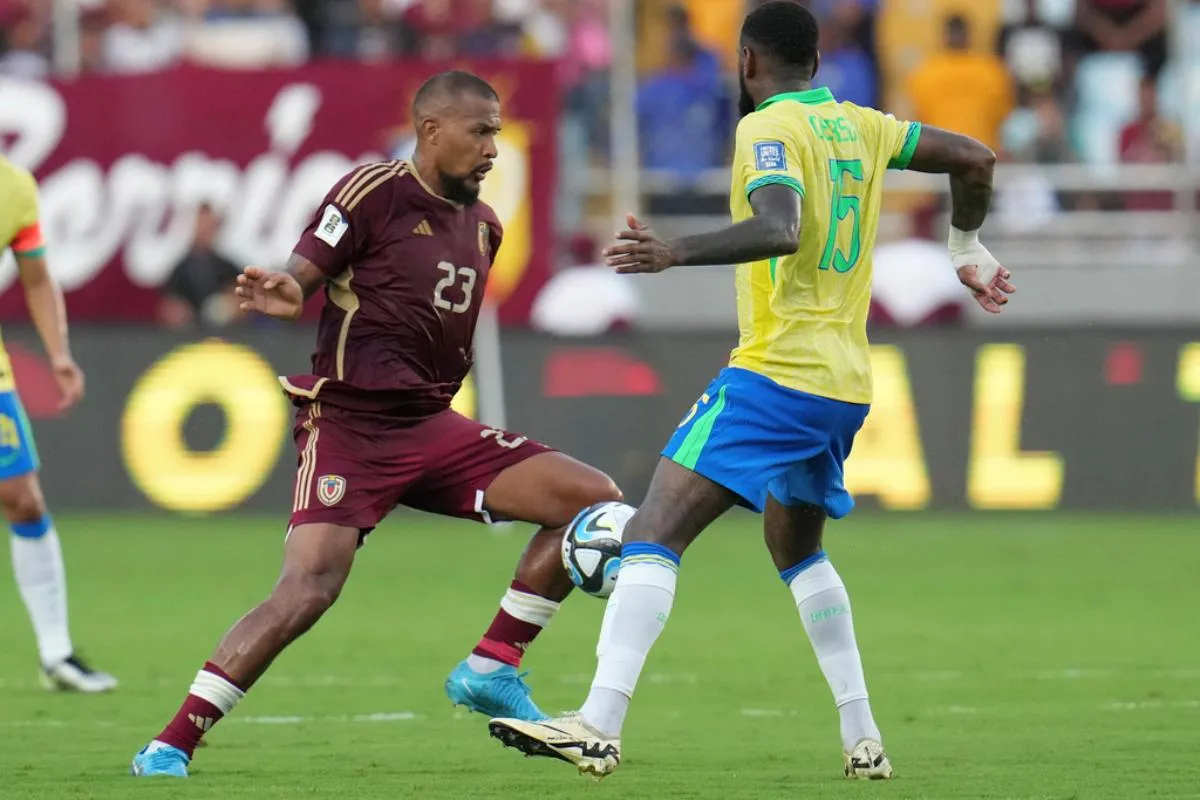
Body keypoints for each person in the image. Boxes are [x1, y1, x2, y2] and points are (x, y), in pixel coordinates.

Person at [488, 1, 1014, 780]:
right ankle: (863, 737)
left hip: (777, 374)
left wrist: (673, 251)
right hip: (844, 384)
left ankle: (597, 724)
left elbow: (781, 226)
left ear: (747, 61)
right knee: (795, 549)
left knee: (653, 530)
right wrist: (965, 246)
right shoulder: (863, 126)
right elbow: (974, 157)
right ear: (817, 64)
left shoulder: (767, 129)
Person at [130, 70, 622, 778]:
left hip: (431, 426)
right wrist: (287, 288)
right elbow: (304, 272)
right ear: (432, 131)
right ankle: (171, 743)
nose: (493, 148)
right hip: (352, 428)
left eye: (496, 133)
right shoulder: (374, 190)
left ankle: (491, 665)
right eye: (481, 132)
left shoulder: (485, 225)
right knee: (308, 589)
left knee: (591, 498)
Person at [0, 156, 118, 693]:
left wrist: (60, 354)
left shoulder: (14, 187)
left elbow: (37, 278)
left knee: (23, 498)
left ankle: (57, 654)